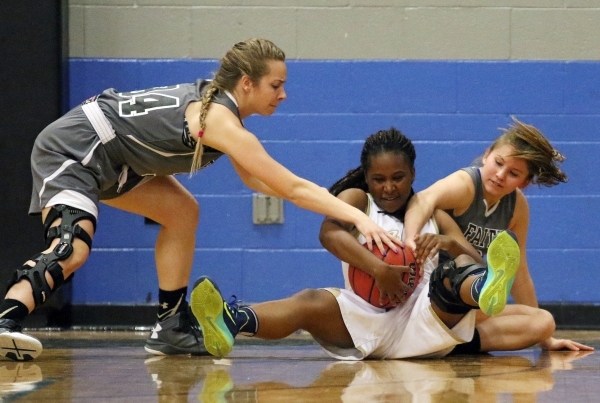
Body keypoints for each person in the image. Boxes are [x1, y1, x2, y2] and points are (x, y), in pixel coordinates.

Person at [0, 38, 401, 362]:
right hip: (74, 149)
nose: (283, 95)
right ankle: (6, 321)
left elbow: (268, 185)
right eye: (276, 85)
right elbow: (291, 188)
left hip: (116, 161)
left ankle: (170, 327)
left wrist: (339, 206)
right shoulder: (221, 122)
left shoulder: (223, 113)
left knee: (182, 212)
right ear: (247, 82)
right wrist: (360, 218)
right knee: (74, 246)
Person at [189, 128, 523, 360]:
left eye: (398, 178)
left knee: (451, 275)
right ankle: (230, 321)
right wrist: (379, 270)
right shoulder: (357, 200)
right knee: (309, 301)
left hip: (425, 317)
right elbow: (328, 234)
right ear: (367, 178)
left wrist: (449, 241)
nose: (389, 187)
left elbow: (474, 257)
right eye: (379, 179)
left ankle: (483, 290)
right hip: (365, 315)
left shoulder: (432, 213)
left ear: (413, 174)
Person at [403, 117, 594, 353]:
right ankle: (443, 339)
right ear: (486, 155)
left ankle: (453, 346)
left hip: (469, 301)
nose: (501, 174)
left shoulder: (517, 207)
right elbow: (422, 199)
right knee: (467, 272)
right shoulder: (465, 185)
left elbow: (519, 272)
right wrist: (410, 240)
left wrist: (547, 341)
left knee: (543, 321)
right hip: (434, 293)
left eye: (513, 173)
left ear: (524, 182)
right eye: (498, 163)